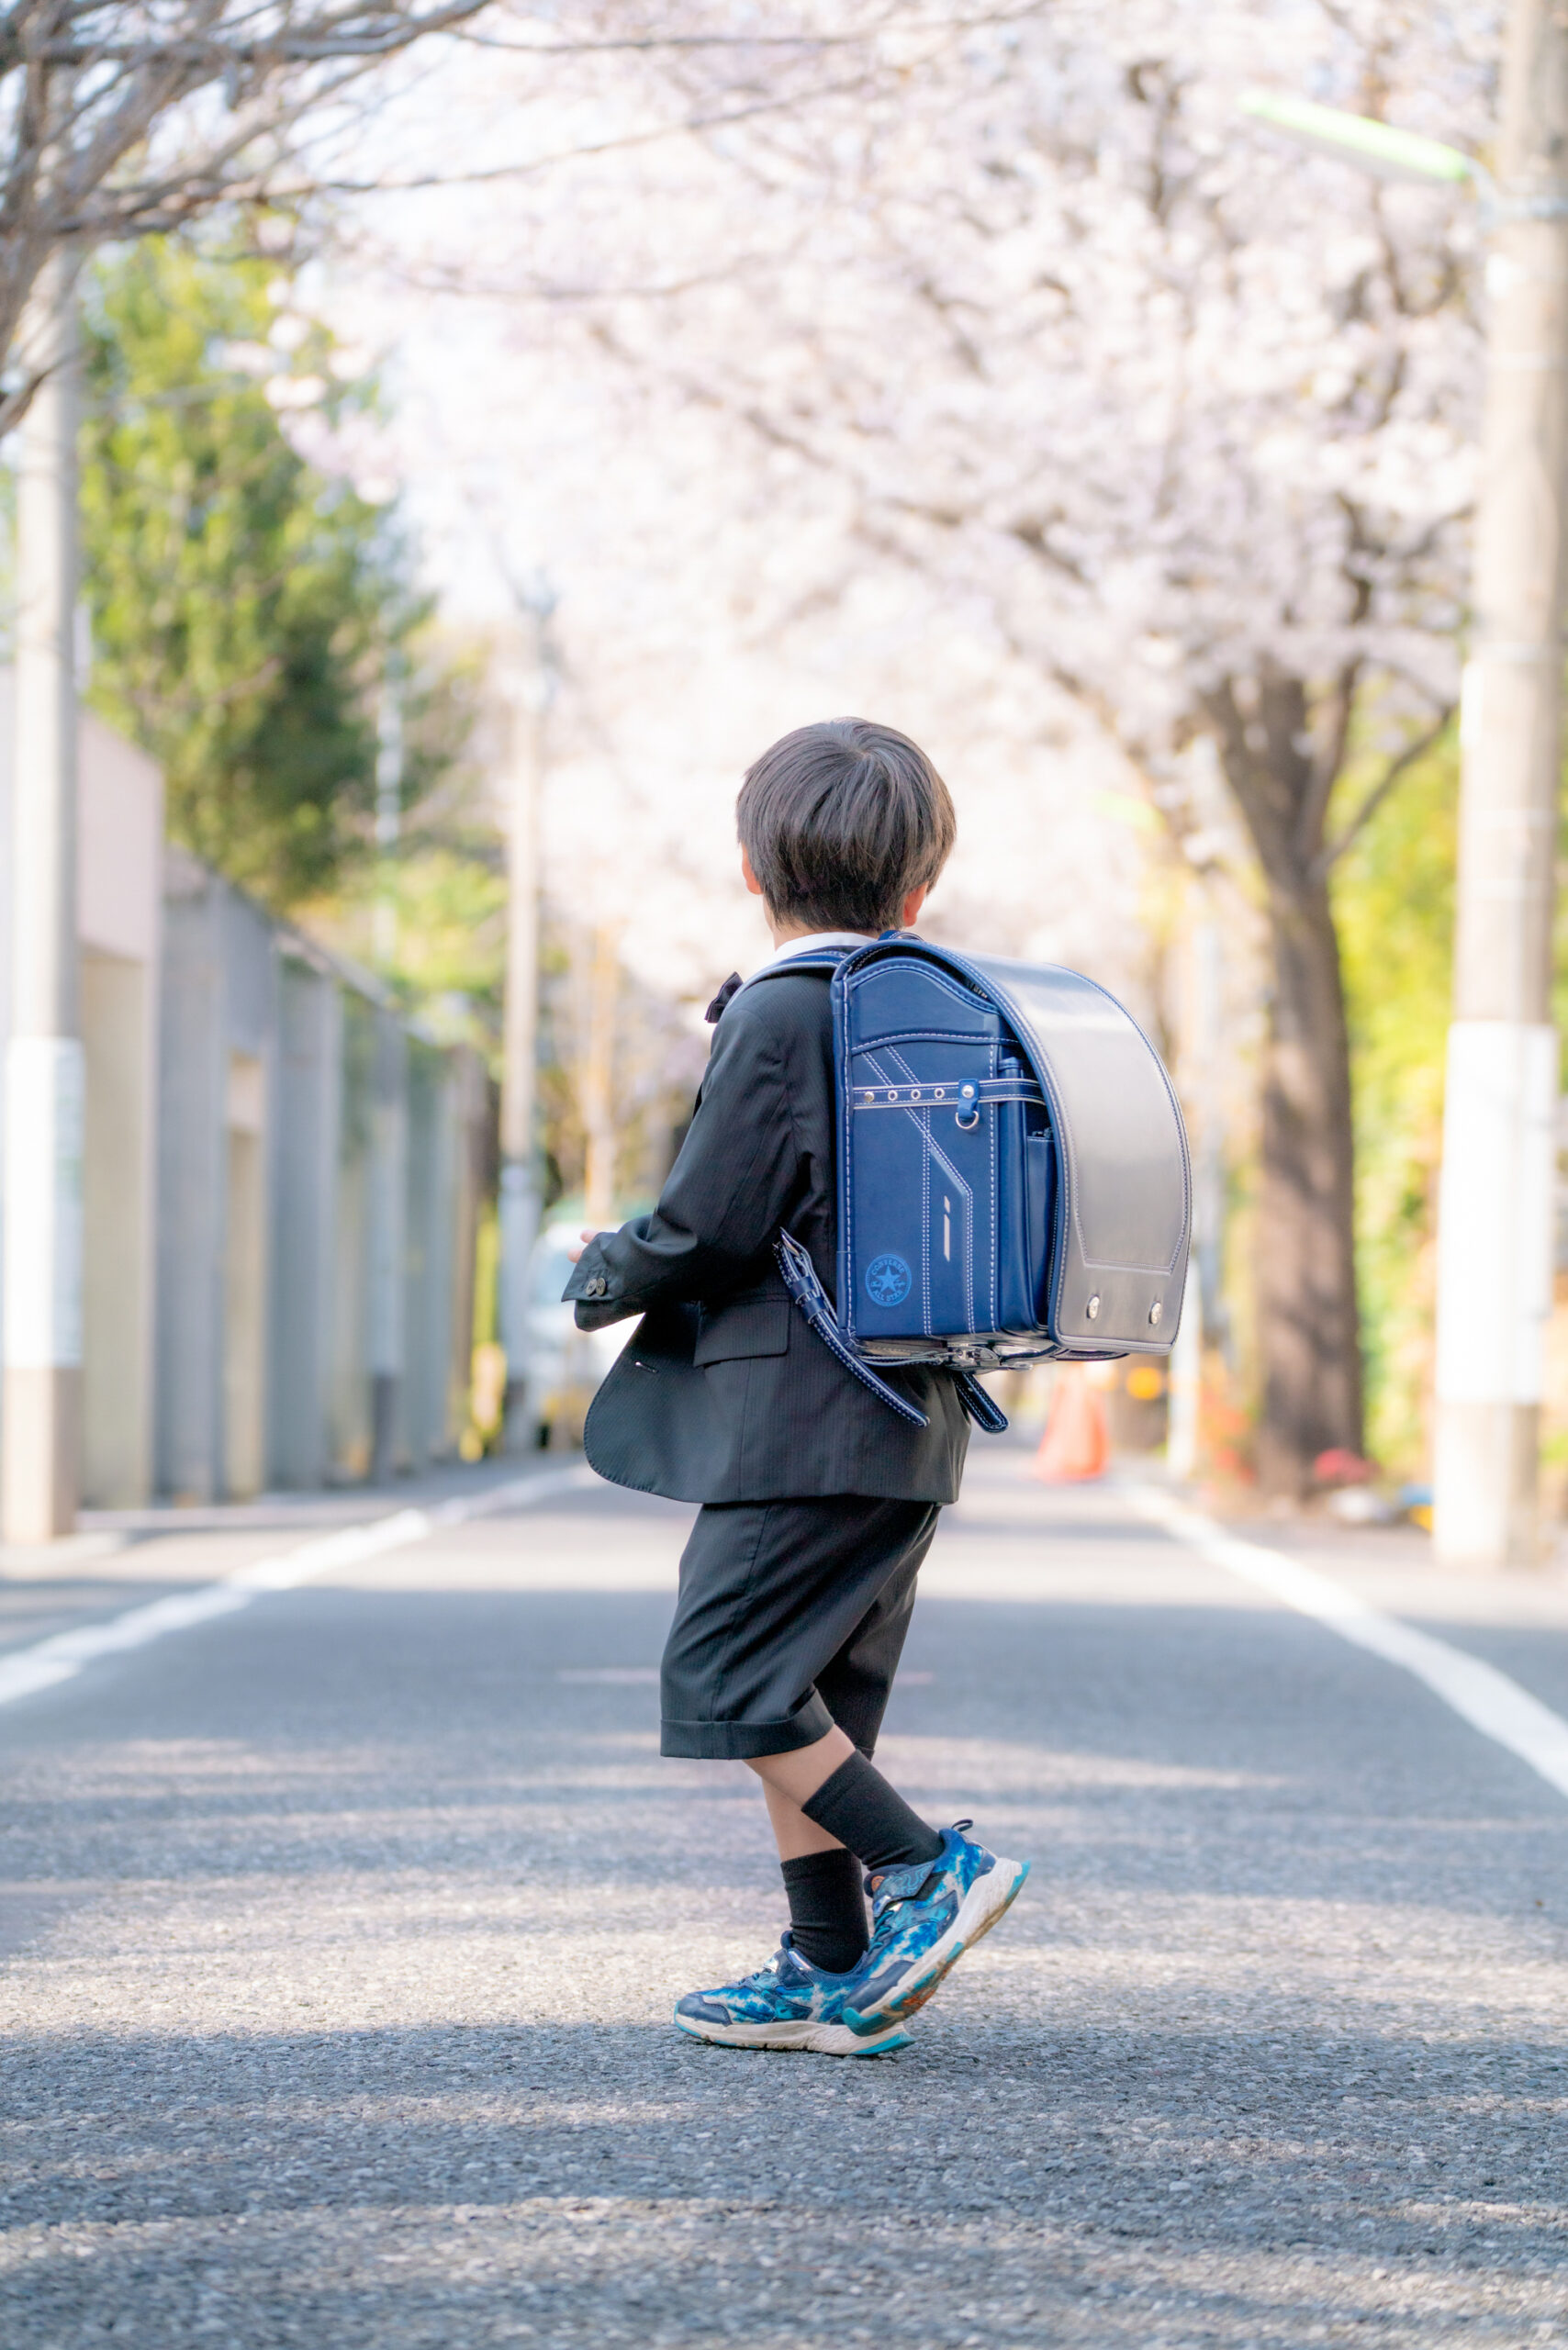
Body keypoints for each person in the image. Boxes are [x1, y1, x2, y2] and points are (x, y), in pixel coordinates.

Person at [564, 718, 1029, 2057]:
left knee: (725, 1670)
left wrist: (604, 1267)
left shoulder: (783, 1008)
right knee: (809, 1691)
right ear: (919, 887)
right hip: (911, 1412)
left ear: (752, 867)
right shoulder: (933, 1003)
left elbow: (710, 1221)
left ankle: (929, 1870)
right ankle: (829, 1963)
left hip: (800, 1422)